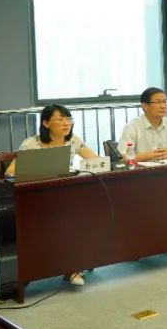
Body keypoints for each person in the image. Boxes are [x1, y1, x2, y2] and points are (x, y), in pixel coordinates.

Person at [6, 104, 98, 287]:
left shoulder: (74, 140)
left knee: (83, 215)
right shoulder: (31, 143)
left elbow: (95, 161)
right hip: (36, 199)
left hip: (64, 196)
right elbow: (10, 172)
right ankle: (38, 269)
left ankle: (72, 267)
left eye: (68, 119)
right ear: (46, 123)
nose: (66, 123)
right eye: (60, 119)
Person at [118, 87, 167, 162]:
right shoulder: (132, 126)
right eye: (158, 102)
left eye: (164, 102)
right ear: (145, 106)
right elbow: (123, 159)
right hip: (142, 169)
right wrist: (151, 155)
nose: (163, 106)